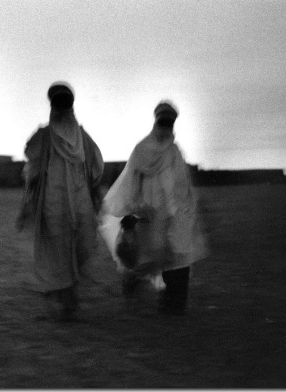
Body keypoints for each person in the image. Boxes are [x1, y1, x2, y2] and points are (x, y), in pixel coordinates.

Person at [101, 101, 207, 315]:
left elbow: (180, 184)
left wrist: (184, 209)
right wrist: (133, 208)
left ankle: (173, 305)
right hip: (149, 215)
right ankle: (138, 287)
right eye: (163, 122)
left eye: (169, 123)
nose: (166, 127)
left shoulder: (173, 151)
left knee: (176, 257)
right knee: (149, 259)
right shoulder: (142, 150)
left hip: (173, 213)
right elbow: (131, 182)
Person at [16, 82, 104, 321]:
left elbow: (95, 167)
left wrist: (95, 195)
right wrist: (28, 204)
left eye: (65, 103)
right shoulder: (43, 137)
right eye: (59, 103)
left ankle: (61, 292)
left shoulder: (83, 137)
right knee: (61, 251)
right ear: (53, 106)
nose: (62, 108)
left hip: (80, 200)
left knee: (83, 246)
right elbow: (32, 168)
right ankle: (67, 302)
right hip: (53, 203)